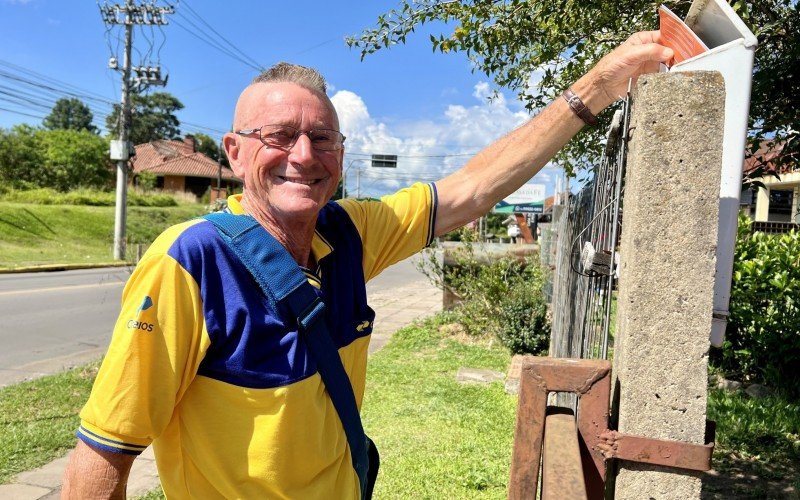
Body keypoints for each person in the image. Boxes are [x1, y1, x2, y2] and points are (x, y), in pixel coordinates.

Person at [62, 31, 673, 499]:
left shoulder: (348, 232)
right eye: (278, 135)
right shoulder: (190, 262)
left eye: (322, 137)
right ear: (234, 150)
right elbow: (103, 454)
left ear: (341, 151)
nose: (303, 155)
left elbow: (472, 190)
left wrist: (597, 85)